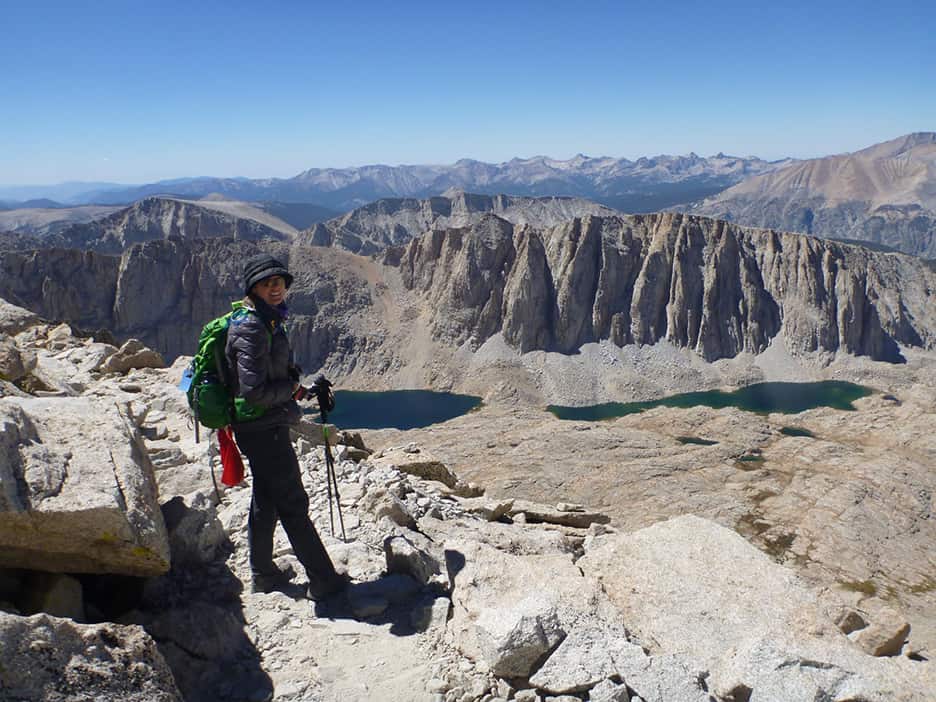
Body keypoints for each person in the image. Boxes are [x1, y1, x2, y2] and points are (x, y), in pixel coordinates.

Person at [226, 252, 348, 600]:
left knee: (266, 499)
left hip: (264, 424)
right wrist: (289, 396)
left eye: (279, 282)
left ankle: (264, 573)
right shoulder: (251, 327)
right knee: (293, 502)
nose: (275, 288)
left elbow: (271, 377)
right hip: (262, 428)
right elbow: (253, 392)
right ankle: (324, 581)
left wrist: (302, 390)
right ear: (254, 288)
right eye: (267, 283)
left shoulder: (267, 321)